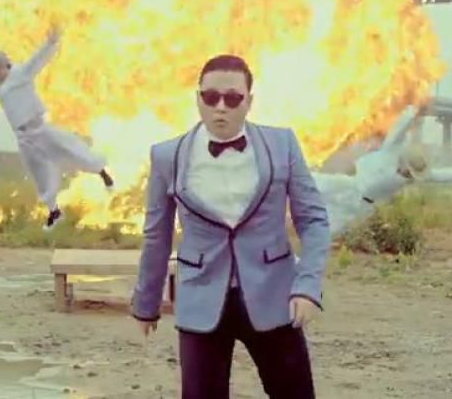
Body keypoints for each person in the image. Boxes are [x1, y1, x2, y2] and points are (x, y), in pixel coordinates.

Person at [130, 54, 331, 399]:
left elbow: (313, 220)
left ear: (249, 101)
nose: (220, 107)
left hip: (274, 296)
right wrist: (146, 304)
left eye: (232, 98)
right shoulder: (167, 156)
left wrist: (308, 286)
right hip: (201, 298)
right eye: (210, 97)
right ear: (198, 98)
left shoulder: (282, 144)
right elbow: (157, 236)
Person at [0, 26, 114, 230]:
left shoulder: (21, 74)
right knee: (40, 173)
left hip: (40, 129)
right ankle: (54, 211)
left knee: (71, 149)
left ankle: (102, 172)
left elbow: (39, 59)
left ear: (5, 66)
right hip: (24, 138)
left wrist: (52, 42)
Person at [313, 108, 452, 237]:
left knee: (331, 229)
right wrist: (413, 113)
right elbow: (400, 129)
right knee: (314, 184)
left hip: (362, 206)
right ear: (405, 161)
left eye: (411, 173)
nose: (408, 174)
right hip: (348, 185)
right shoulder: (392, 150)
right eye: (409, 170)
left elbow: (437, 175)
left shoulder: (409, 178)